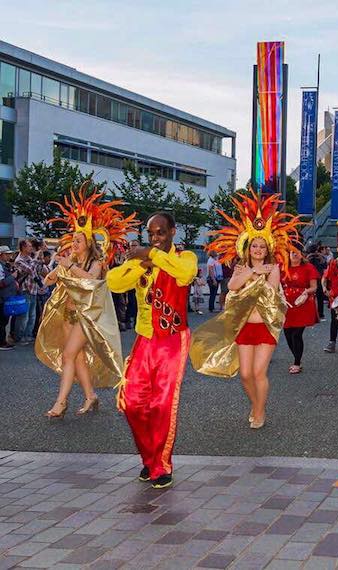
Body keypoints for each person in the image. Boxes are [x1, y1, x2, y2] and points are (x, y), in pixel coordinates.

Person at [189, 189, 300, 429]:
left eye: (262, 246)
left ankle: (259, 411)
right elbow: (232, 286)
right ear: (248, 248)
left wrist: (261, 275)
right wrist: (251, 272)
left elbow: (270, 296)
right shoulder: (241, 268)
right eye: (254, 246)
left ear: (267, 248)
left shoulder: (273, 269)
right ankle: (255, 404)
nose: (258, 250)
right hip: (244, 328)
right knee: (245, 375)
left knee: (259, 372)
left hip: (265, 329)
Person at [108, 212, 197, 489]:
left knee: (162, 404)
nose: (155, 238)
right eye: (151, 234)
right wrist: (138, 262)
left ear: (172, 231)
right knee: (132, 402)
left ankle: (161, 464)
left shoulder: (185, 257)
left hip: (172, 339)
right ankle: (149, 458)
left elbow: (185, 274)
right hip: (144, 339)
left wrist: (153, 256)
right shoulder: (142, 260)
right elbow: (114, 282)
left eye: (160, 233)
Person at [37, 186, 134, 418]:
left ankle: (61, 403)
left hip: (86, 318)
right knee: (77, 357)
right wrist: (60, 266)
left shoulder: (96, 263)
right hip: (68, 316)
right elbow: (47, 282)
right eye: (73, 240)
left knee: (68, 355)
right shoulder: (68, 261)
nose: (74, 244)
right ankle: (91, 396)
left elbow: (91, 281)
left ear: (89, 243)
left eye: (79, 241)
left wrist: (69, 266)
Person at [283, 244, 320, 374]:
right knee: (287, 334)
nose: (294, 254)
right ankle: (297, 357)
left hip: (303, 304)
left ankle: (297, 362)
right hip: (287, 305)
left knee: (296, 334)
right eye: (291, 252)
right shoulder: (283, 268)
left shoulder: (308, 267)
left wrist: (305, 292)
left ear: (301, 253)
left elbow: (314, 287)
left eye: (297, 252)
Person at [12, 239, 40, 345]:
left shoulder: (29, 258)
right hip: (25, 290)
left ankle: (27, 336)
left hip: (33, 289)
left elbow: (36, 271)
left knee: (32, 315)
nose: (31, 248)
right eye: (29, 246)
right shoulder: (19, 260)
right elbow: (30, 270)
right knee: (24, 315)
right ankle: (19, 337)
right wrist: (36, 258)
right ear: (23, 247)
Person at [0, 246, 19, 350]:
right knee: (2, 321)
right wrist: (13, 276)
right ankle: (2, 343)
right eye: (6, 254)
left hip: (6, 297)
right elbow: (1, 283)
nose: (9, 256)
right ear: (1, 255)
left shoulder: (6, 265)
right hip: (2, 297)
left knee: (4, 320)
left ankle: (3, 341)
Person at [306, 243, 327, 321]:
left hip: (311, 279)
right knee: (320, 298)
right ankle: (321, 314)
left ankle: (312, 315)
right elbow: (325, 267)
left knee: (311, 298)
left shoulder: (308, 258)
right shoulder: (321, 258)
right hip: (320, 278)